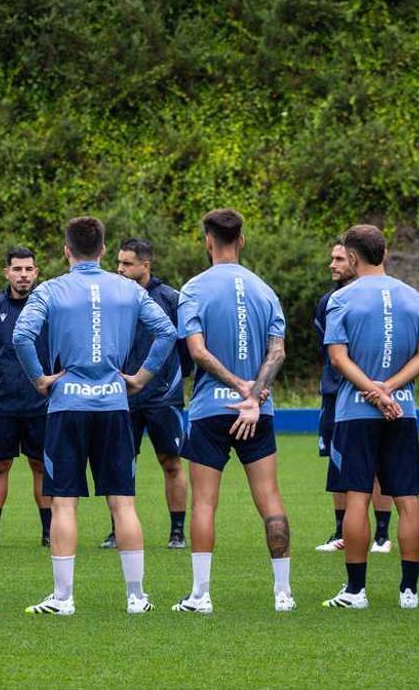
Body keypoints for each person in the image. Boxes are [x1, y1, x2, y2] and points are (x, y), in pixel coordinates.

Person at [14, 217, 175, 617]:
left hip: (67, 406)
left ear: (67, 251)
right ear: (103, 251)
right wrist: (141, 377)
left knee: (64, 504)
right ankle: (136, 597)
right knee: (122, 504)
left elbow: (21, 336)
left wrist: (39, 379)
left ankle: (64, 598)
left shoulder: (49, 289)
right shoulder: (128, 288)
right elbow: (167, 332)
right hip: (113, 405)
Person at [172, 208, 294, 614]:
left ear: (208, 240)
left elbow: (197, 351)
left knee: (204, 503)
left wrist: (238, 386)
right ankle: (283, 593)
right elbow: (277, 351)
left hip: (211, 408)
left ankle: (200, 595)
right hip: (259, 411)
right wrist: (255, 393)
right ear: (241, 239)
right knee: (271, 500)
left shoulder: (193, 289)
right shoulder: (265, 290)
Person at [321, 225, 419, 610]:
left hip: (356, 411)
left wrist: (372, 390)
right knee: (408, 499)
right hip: (403, 411)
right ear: (384, 252)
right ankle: (410, 592)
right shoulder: (414, 297)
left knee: (357, 496)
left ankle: (355, 591)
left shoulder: (343, 299)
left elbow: (338, 357)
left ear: (352, 257)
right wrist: (390, 388)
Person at [105, 237, 191, 550]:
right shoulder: (113, 296)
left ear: (145, 265)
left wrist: (172, 380)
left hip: (162, 397)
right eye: (118, 263)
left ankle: (177, 531)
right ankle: (117, 530)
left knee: (171, 462)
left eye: (127, 264)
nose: (120, 269)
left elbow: (186, 347)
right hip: (120, 396)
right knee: (120, 463)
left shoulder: (170, 298)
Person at [314, 241, 396, 554]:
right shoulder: (327, 301)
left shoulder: (382, 298)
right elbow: (329, 350)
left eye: (338, 258)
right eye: (331, 258)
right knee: (336, 462)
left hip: (376, 391)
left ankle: (382, 535)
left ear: (354, 259)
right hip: (336, 393)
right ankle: (342, 531)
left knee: (378, 463)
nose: (332, 264)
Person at [0, 247, 51, 549]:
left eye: (28, 269)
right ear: (7, 272)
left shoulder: (49, 308)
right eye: (17, 269)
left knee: (40, 465)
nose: (23, 275)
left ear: (36, 272)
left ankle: (49, 531)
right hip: (1, 403)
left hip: (40, 402)